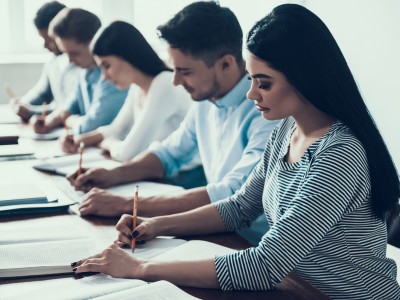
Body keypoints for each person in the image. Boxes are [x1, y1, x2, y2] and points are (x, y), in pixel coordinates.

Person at [72, 4, 400, 299]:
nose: (251, 94)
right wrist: (154, 224)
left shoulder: (340, 155)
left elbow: (263, 266)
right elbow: (239, 207)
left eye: (264, 83)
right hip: (294, 288)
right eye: (253, 80)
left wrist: (139, 268)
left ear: (305, 79)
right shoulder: (288, 130)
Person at [67, 1, 278, 244]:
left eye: (185, 71)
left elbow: (233, 195)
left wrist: (126, 204)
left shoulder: (267, 111)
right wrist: (112, 175)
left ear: (225, 64)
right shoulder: (204, 100)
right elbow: (170, 153)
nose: (176, 81)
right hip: (212, 230)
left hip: (249, 243)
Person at [60, 21, 191, 162]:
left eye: (107, 66)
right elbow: (117, 129)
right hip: (155, 174)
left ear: (128, 56)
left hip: (183, 178)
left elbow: (127, 153)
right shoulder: (137, 86)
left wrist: (107, 143)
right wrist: (80, 140)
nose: (104, 77)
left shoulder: (164, 84)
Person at [30, 8, 128, 135]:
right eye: (66, 54)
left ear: (95, 41)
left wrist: (68, 121)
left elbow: (93, 125)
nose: (70, 61)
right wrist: (49, 121)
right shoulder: (85, 70)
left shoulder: (112, 75)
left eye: (74, 54)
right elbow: (71, 104)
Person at [10, 1, 79, 122]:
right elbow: (42, 93)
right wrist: (23, 103)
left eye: (49, 39)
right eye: (43, 39)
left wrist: (31, 111)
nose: (45, 46)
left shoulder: (84, 64)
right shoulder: (53, 62)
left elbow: (72, 107)